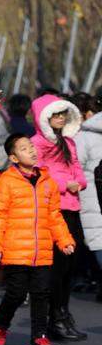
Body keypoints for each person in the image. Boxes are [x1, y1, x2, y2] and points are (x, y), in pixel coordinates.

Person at [0, 134, 74, 345]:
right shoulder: (5, 182)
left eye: (31, 147)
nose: (32, 151)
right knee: (16, 293)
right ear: (13, 157)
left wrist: (64, 240)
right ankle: (1, 323)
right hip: (15, 251)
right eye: (24, 149)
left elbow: (54, 215)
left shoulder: (48, 182)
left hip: (42, 250)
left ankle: (38, 339)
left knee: (41, 293)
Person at [30, 94, 88, 341]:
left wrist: (79, 183)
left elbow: (78, 170)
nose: (60, 118)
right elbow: (40, 173)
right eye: (55, 114)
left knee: (69, 266)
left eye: (63, 114)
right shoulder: (36, 143)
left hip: (72, 208)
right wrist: (67, 183)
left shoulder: (69, 142)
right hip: (52, 210)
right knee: (55, 267)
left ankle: (63, 313)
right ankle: (55, 317)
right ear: (44, 117)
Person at [75, 103, 102, 303]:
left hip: (91, 194)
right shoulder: (85, 135)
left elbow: (76, 165)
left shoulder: (82, 136)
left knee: (97, 239)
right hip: (92, 194)